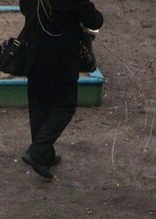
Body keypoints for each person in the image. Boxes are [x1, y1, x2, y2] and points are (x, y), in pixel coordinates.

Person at [19, 0, 103, 180]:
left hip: (34, 55)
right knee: (65, 106)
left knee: (39, 104)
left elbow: (24, 9)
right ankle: (38, 151)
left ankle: (44, 155)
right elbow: (95, 20)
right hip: (62, 59)